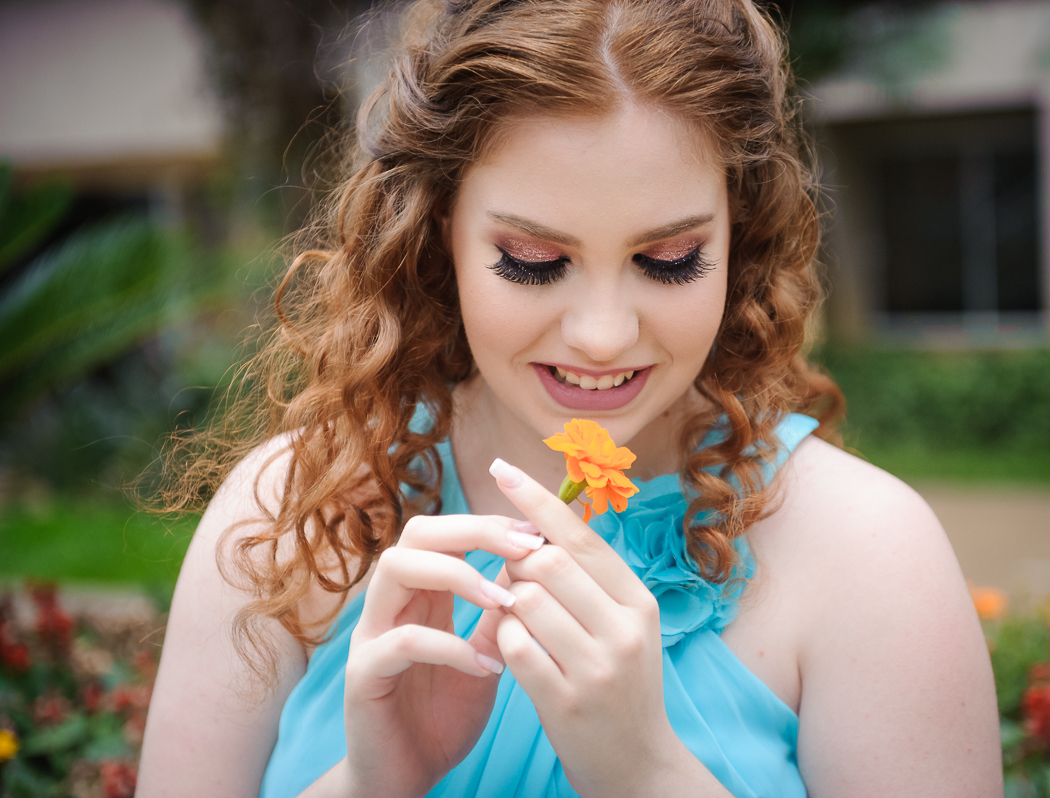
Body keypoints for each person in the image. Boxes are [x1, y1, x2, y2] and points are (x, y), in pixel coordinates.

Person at [138, 0, 1003, 795]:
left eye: (667, 261)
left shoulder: (868, 555)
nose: (600, 334)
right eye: (532, 261)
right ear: (439, 229)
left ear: (740, 235)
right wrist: (374, 781)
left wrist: (645, 770)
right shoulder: (284, 516)